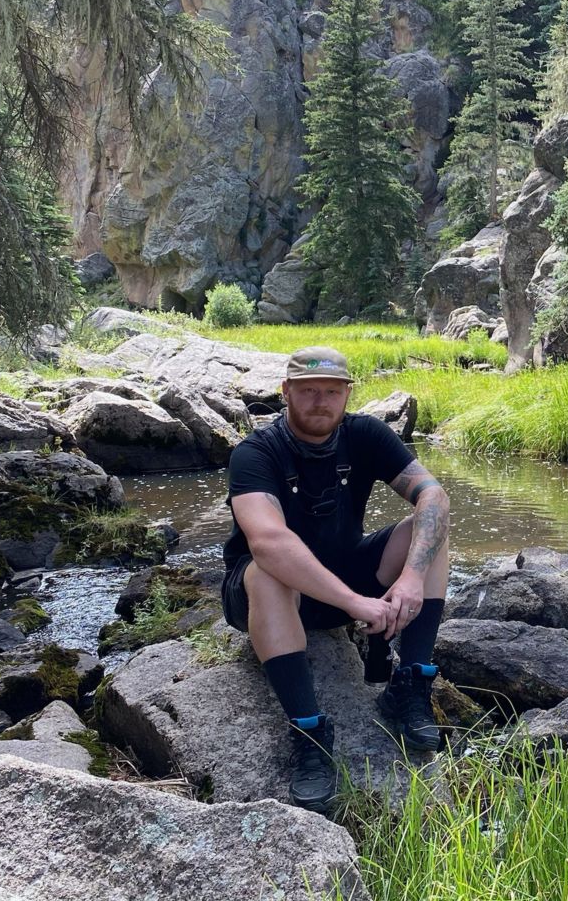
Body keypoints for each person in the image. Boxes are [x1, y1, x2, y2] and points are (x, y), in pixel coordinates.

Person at [220, 345, 450, 813]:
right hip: (267, 595)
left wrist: (409, 578)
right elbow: (268, 543)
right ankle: (309, 735)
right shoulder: (255, 453)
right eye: (307, 391)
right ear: (286, 393)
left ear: (347, 395)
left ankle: (410, 688)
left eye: (331, 391)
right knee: (269, 573)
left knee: (431, 534)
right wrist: (357, 603)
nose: (320, 401)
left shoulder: (365, 434)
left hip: (342, 576)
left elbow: (434, 495)